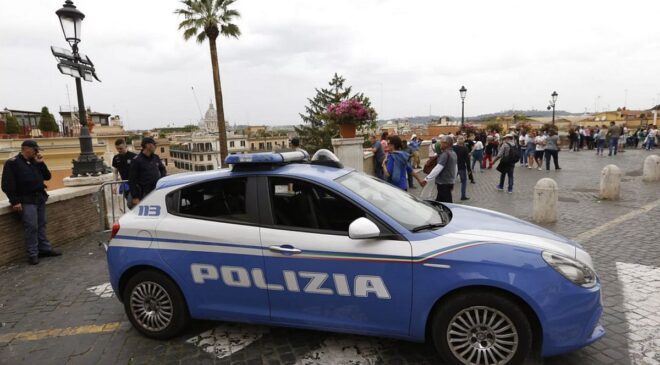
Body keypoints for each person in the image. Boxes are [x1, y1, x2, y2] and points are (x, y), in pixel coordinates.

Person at [2, 140, 61, 265]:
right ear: (27, 149)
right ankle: (33, 253)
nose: (37, 152)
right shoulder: (12, 163)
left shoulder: (35, 162)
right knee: (32, 226)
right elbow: (7, 184)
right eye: (35, 150)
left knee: (42, 224)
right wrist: (14, 201)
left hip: (39, 197)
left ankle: (44, 249)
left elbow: (47, 176)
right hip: (25, 199)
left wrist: (41, 163)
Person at [129, 137, 167, 206]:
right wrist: (135, 197)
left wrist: (162, 179)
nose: (155, 146)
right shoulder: (136, 160)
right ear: (148, 145)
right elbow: (132, 180)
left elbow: (162, 169)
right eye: (154, 145)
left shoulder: (156, 157)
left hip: (156, 191)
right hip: (144, 193)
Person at [424, 136, 457, 203]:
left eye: (441, 143)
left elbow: (438, 168)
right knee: (440, 202)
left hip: (443, 183)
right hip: (448, 183)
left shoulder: (445, 154)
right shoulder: (453, 153)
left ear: (446, 144)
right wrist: (453, 181)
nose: (440, 145)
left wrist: (426, 179)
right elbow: (455, 169)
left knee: (447, 204)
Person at [112, 138, 138, 208]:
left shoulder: (134, 156)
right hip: (125, 184)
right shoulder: (116, 158)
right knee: (131, 204)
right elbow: (115, 172)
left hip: (135, 184)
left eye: (121, 148)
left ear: (126, 147)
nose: (119, 150)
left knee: (130, 204)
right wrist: (114, 185)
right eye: (117, 149)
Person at [452, 136, 471, 201]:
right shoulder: (465, 149)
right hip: (462, 167)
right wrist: (469, 170)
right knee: (464, 182)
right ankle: (463, 196)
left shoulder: (454, 148)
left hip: (454, 167)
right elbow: (467, 160)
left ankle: (449, 195)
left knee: (451, 182)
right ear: (463, 141)